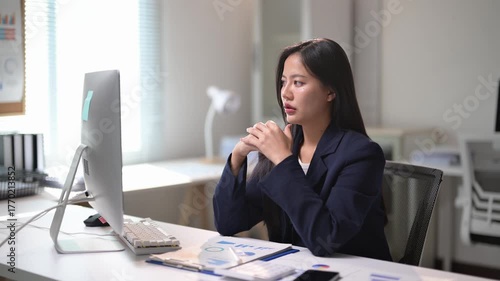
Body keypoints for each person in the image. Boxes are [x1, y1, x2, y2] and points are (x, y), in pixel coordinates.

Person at [212, 38, 392, 261]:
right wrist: (237, 158)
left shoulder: (362, 154)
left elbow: (326, 239)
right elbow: (229, 223)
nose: (285, 93)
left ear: (330, 91)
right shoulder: (289, 144)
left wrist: (283, 160)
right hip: (294, 270)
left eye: (298, 83)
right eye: (283, 82)